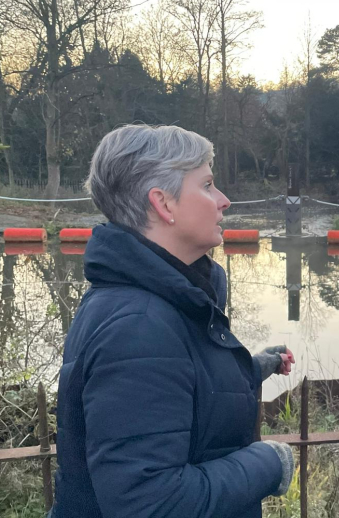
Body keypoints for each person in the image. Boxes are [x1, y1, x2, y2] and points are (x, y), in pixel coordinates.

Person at [51, 124, 296, 518]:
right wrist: (268, 463)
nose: (224, 200)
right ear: (163, 204)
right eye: (208, 184)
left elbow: (178, 393)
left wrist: (254, 368)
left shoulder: (161, 302)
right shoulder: (138, 327)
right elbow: (151, 503)